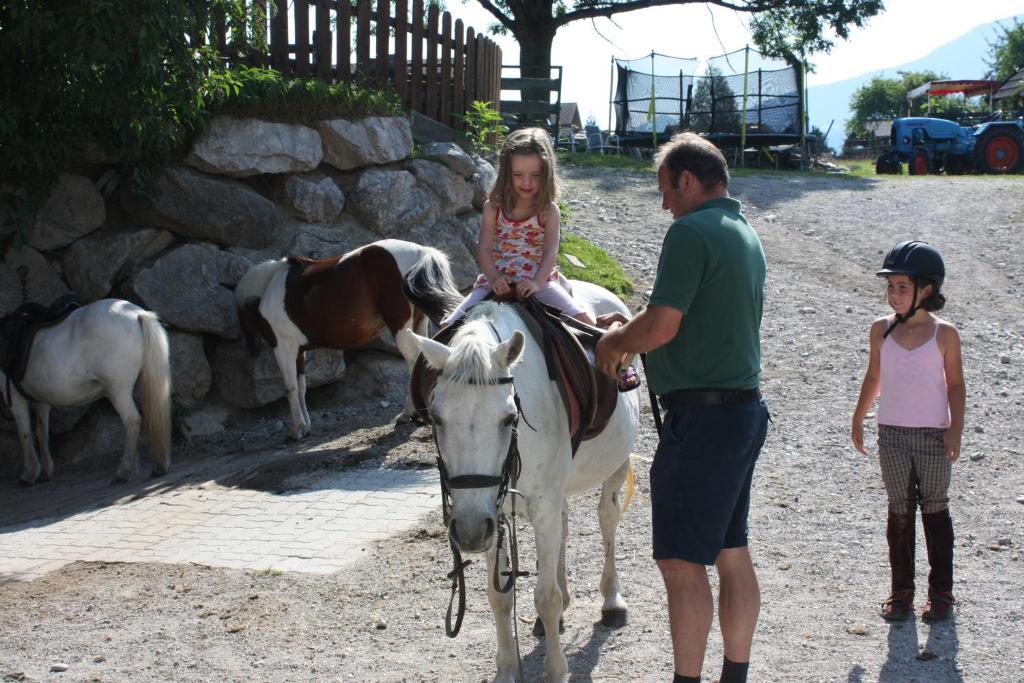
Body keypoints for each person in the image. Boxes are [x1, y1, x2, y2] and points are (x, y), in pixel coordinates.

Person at [596, 132, 769, 683]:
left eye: (665, 189)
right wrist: (627, 329)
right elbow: (686, 319)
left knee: (680, 563)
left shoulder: (690, 232)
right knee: (731, 549)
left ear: (688, 181)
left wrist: (614, 343)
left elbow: (664, 325)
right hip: (741, 412)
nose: (663, 202)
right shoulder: (742, 232)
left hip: (702, 422)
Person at [851, 241, 965, 623]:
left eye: (902, 286)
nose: (894, 294)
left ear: (926, 290)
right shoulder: (880, 330)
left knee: (935, 509)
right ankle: (901, 593)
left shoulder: (944, 334)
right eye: (891, 287)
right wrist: (859, 417)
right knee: (899, 509)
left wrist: (956, 429)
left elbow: (955, 385)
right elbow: (874, 376)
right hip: (892, 436)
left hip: (934, 436)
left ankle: (941, 593)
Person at [441, 127, 596, 327]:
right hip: (496, 282)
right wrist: (495, 278)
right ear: (507, 174)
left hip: (538, 283)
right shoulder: (493, 208)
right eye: (518, 174)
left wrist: (537, 282)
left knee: (587, 323)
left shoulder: (549, 211)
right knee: (448, 327)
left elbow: (550, 252)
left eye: (536, 175)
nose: (526, 182)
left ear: (546, 174)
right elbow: (484, 249)